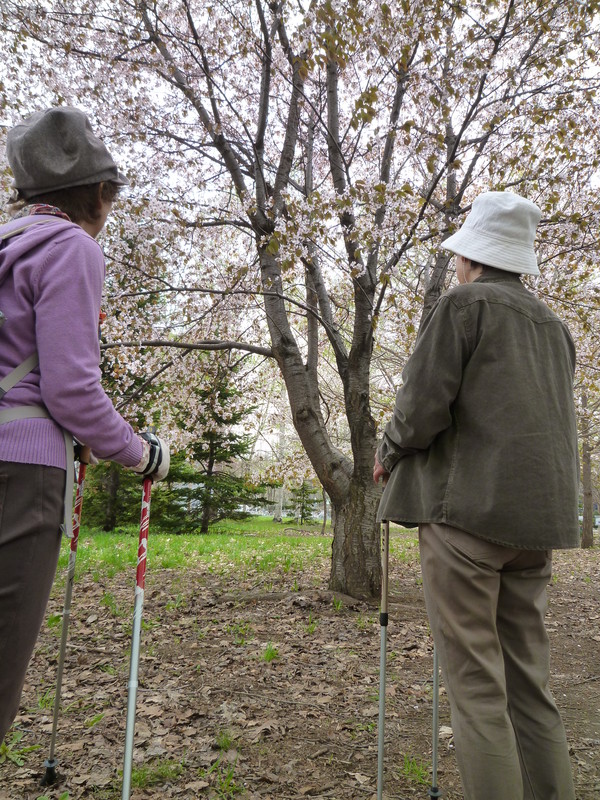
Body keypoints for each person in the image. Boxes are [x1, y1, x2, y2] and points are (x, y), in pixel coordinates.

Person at [373, 191, 579, 800]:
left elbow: (420, 409)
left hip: (465, 519)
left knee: (478, 691)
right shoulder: (554, 327)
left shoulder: (463, 305)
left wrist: (390, 450)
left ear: (472, 258)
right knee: (529, 690)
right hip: (534, 529)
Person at [0, 106, 170, 743]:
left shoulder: (9, 247)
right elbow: (71, 390)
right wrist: (141, 454)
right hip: (19, 476)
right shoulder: (71, 249)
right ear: (101, 193)